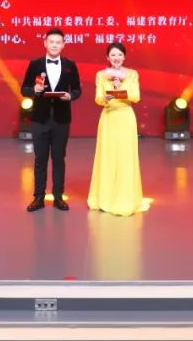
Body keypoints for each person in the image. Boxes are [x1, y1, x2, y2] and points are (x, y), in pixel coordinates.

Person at [20, 28, 82, 212]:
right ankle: (38, 197)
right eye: (51, 42)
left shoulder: (70, 65)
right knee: (40, 159)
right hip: (40, 119)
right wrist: (34, 91)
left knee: (58, 159)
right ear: (45, 43)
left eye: (58, 42)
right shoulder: (35, 64)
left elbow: (77, 90)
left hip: (61, 120)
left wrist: (70, 96)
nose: (54, 45)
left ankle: (58, 197)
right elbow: (24, 89)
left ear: (63, 45)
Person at [87, 42, 145, 216]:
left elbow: (135, 97)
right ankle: (105, 198)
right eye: (113, 55)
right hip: (109, 117)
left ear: (124, 57)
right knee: (108, 156)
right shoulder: (101, 75)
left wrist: (119, 90)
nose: (116, 58)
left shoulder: (132, 74)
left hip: (125, 117)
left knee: (125, 157)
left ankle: (125, 198)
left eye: (119, 55)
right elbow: (98, 98)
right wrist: (106, 97)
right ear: (107, 57)